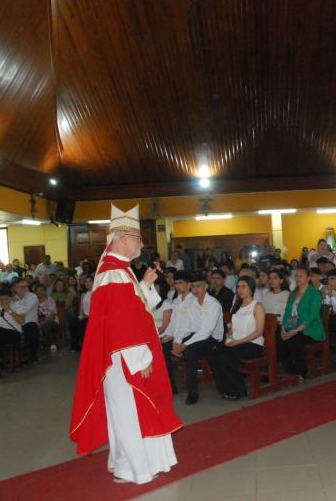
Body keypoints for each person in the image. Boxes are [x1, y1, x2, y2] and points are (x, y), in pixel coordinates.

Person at [70, 204, 181, 484]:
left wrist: (144, 284)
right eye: (137, 238)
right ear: (120, 238)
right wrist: (140, 360)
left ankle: (123, 463)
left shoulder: (119, 269)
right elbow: (121, 325)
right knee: (129, 413)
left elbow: (132, 309)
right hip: (124, 357)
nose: (141, 244)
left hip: (122, 356)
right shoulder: (114, 272)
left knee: (123, 412)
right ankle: (134, 468)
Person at [171, 273, 224, 404]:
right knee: (174, 345)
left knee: (189, 349)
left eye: (198, 286)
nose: (195, 290)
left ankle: (192, 392)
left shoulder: (213, 304)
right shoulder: (192, 303)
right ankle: (170, 386)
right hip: (197, 335)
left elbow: (206, 332)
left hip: (213, 338)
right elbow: (185, 325)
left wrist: (184, 345)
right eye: (193, 287)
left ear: (206, 286)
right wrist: (177, 342)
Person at [209, 276, 265, 399]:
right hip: (237, 342)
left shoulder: (257, 306)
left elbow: (259, 332)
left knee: (226, 357)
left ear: (251, 288)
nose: (240, 290)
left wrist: (237, 342)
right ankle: (225, 388)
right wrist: (229, 337)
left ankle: (239, 389)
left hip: (253, 344)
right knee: (213, 355)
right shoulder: (237, 306)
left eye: (244, 286)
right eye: (238, 287)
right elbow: (232, 328)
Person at [280, 267, 325, 378]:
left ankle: (300, 371)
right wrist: (283, 328)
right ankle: (289, 370)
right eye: (296, 276)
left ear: (308, 278)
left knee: (295, 340)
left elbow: (313, 315)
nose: (298, 278)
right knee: (278, 338)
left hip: (310, 328)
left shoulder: (315, 293)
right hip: (292, 326)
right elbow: (287, 313)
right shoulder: (293, 294)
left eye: (301, 276)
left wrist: (297, 330)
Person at [0, 289, 25, 381]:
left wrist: (9, 310)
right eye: (2, 299)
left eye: (6, 299)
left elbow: (21, 321)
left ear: (10, 298)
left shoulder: (17, 306)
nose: (4, 301)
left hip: (13, 333)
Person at [10, 278, 40, 363]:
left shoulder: (33, 296)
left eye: (25, 286)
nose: (24, 288)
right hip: (16, 322)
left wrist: (16, 303)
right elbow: (10, 311)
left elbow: (25, 311)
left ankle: (33, 356)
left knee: (30, 328)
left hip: (29, 322)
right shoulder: (12, 298)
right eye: (20, 287)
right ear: (15, 288)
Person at [35, 283, 58, 352]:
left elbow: (52, 314)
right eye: (38, 291)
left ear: (45, 291)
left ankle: (52, 344)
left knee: (47, 325)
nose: (40, 292)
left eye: (41, 290)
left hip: (51, 320)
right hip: (38, 321)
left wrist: (42, 323)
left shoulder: (50, 300)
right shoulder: (34, 301)